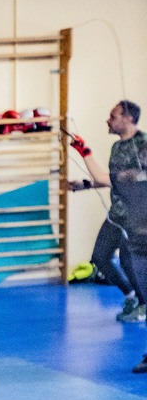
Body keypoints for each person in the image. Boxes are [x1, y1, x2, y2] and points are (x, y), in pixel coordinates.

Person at [68, 101, 147, 325]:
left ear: (129, 119)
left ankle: (143, 305)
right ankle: (132, 296)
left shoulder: (143, 143)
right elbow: (112, 181)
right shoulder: (117, 147)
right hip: (118, 214)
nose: (108, 120)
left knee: (130, 262)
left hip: (139, 218)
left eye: (113, 116)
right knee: (100, 258)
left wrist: (84, 150)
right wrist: (85, 184)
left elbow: (113, 178)